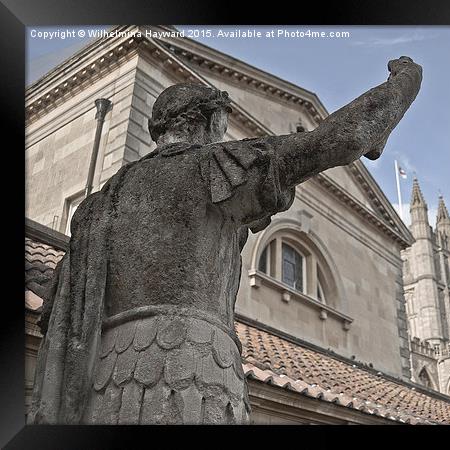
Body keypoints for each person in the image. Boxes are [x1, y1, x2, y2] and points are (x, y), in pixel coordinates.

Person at [28, 56, 422, 424]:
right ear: (208, 123)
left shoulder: (101, 204)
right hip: (195, 370)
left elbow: (55, 302)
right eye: (222, 125)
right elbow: (341, 139)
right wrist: (404, 84)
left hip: (107, 376)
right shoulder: (215, 166)